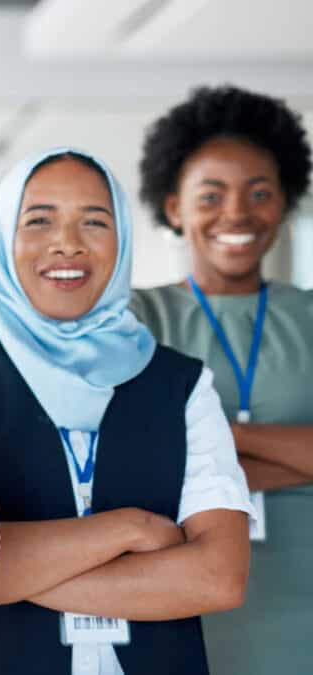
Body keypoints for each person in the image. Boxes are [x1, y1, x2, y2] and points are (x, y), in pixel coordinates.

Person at [0, 148, 252, 675]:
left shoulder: (181, 384)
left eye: (94, 221)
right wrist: (129, 529)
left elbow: (218, 578)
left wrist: (13, 576)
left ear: (123, 240)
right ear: (3, 237)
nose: (67, 243)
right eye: (39, 221)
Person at [132, 85, 313, 675]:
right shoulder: (134, 320)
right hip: (182, 595)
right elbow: (135, 464)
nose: (237, 213)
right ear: (174, 205)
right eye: (211, 195)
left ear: (285, 202)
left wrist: (208, 437)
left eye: (260, 193)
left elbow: (171, 453)